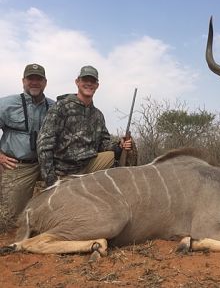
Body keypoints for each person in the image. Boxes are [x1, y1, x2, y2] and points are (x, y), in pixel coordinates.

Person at [37, 65, 136, 187]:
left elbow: (104, 144)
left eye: (92, 81)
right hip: (64, 171)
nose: (89, 84)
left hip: (88, 166)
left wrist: (119, 145)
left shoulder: (98, 115)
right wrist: (50, 180)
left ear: (97, 86)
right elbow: (44, 145)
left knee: (115, 156)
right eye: (85, 80)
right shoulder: (60, 107)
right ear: (77, 82)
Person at [0, 63, 54, 221]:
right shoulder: (6, 104)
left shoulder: (54, 106)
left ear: (45, 82)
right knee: (12, 218)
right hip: (18, 165)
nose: (35, 82)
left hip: (47, 164)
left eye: (39, 79)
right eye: (31, 78)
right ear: (23, 81)